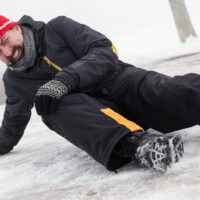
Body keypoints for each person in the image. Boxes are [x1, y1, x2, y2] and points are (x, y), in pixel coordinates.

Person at [1, 14, 193, 173]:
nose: (7, 52)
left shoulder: (57, 28)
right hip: (100, 125)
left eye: (4, 41)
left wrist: (64, 80)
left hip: (123, 84)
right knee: (49, 106)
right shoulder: (14, 81)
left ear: (16, 28)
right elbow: (13, 121)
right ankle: (136, 146)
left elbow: (104, 50)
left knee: (176, 93)